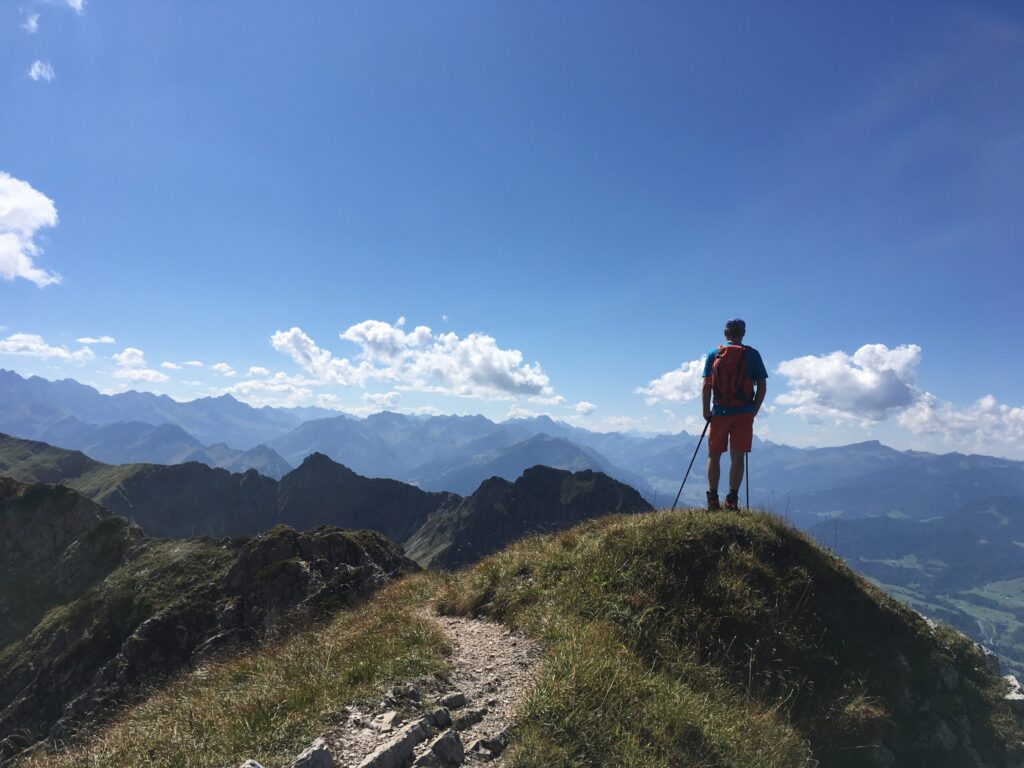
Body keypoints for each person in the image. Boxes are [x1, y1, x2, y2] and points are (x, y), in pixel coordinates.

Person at [701, 318, 767, 510]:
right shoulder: (752, 354)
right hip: (744, 413)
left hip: (719, 412)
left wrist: (706, 410)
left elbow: (706, 385)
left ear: (725, 333)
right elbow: (762, 385)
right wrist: (753, 410)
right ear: (743, 333)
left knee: (714, 455)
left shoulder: (714, 354)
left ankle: (713, 499)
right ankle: (731, 500)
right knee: (737, 457)